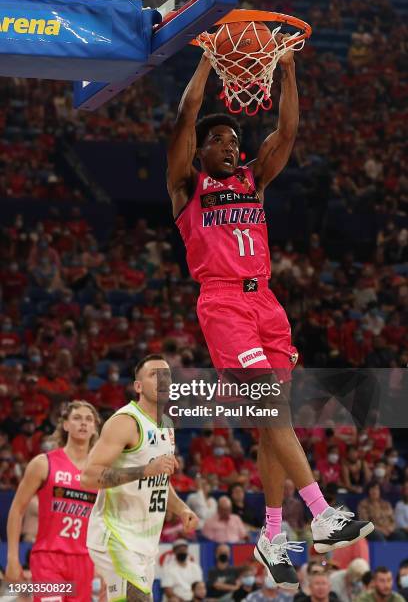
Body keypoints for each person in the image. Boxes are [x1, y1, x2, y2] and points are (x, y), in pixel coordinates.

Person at [167, 35, 373, 589]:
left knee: (272, 421)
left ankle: (273, 531)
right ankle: (322, 513)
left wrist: (286, 70)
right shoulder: (188, 185)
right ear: (202, 152)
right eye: (219, 139)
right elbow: (187, 114)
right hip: (225, 301)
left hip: (267, 304)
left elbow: (286, 133)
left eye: (234, 139)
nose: (230, 146)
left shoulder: (252, 180)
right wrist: (209, 59)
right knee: (273, 413)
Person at [81, 354, 199, 601]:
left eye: (167, 375)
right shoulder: (126, 421)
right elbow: (89, 477)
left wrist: (181, 508)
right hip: (115, 533)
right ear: (138, 386)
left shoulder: (166, 423)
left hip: (145, 541)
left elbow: (160, 481)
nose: (163, 379)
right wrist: (144, 470)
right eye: (154, 375)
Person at [6, 401, 101, 602]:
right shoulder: (43, 463)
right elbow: (17, 510)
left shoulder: (99, 473)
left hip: (84, 561)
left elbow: (105, 522)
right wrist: (12, 558)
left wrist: (103, 565)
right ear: (65, 425)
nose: (83, 423)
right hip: (48, 558)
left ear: (94, 428)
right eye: (76, 418)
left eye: (88, 419)